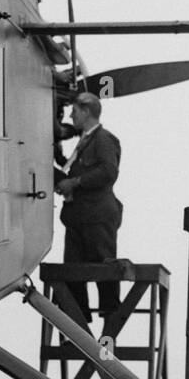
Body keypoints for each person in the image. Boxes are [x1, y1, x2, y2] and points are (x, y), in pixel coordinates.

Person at [55, 92, 123, 322]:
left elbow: (108, 171)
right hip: (79, 216)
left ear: (86, 112)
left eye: (75, 111)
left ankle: (109, 316)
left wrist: (74, 183)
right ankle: (79, 317)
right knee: (73, 270)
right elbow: (74, 169)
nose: (72, 116)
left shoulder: (103, 139)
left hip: (97, 215)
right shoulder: (85, 141)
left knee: (103, 265)